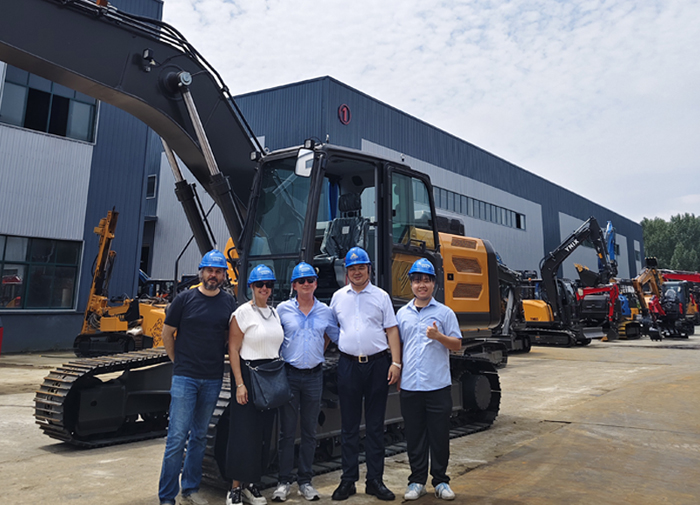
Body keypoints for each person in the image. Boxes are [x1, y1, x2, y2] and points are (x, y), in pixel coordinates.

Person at [158, 249, 235, 505]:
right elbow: (167, 333)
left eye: (218, 271)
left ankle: (190, 488)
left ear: (224, 275)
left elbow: (227, 337)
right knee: (177, 437)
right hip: (186, 378)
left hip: (212, 378)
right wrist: (176, 361)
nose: (213, 275)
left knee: (200, 435)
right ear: (202, 272)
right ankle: (167, 496)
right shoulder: (184, 299)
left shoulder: (227, 302)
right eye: (210, 270)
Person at [330, 247, 402, 501]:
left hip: (377, 365)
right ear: (346, 272)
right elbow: (331, 329)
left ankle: (375, 481)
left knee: (374, 426)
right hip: (348, 365)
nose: (357, 272)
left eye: (361, 267)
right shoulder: (338, 298)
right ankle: (348, 481)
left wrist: (396, 363)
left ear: (368, 269)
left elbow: (392, 330)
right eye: (352, 268)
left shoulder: (381, 297)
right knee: (348, 427)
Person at [271, 262, 339, 502]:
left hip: (314, 376)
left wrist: (318, 351)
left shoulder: (325, 311)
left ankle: (305, 481)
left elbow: (332, 334)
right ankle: (283, 482)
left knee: (309, 431)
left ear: (316, 284)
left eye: (310, 280)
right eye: (301, 281)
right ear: (294, 285)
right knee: (287, 432)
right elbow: (274, 338)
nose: (306, 284)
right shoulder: (282, 310)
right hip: (289, 375)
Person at [395, 259, 461, 501]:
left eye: (426, 280)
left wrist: (438, 336)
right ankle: (416, 481)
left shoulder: (445, 313)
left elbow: (457, 344)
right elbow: (398, 346)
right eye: (416, 280)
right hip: (411, 385)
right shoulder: (402, 314)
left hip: (437, 385)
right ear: (411, 284)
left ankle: (441, 481)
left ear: (433, 283)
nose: (421, 285)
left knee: (439, 435)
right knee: (414, 435)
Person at [226, 264, 285, 505]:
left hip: (270, 376)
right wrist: (240, 384)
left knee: (262, 434)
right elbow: (233, 349)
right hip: (249, 376)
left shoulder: (275, 313)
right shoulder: (241, 313)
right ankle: (235, 489)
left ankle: (252, 484)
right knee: (243, 434)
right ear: (251, 286)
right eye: (259, 284)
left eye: (268, 284)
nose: (264, 288)